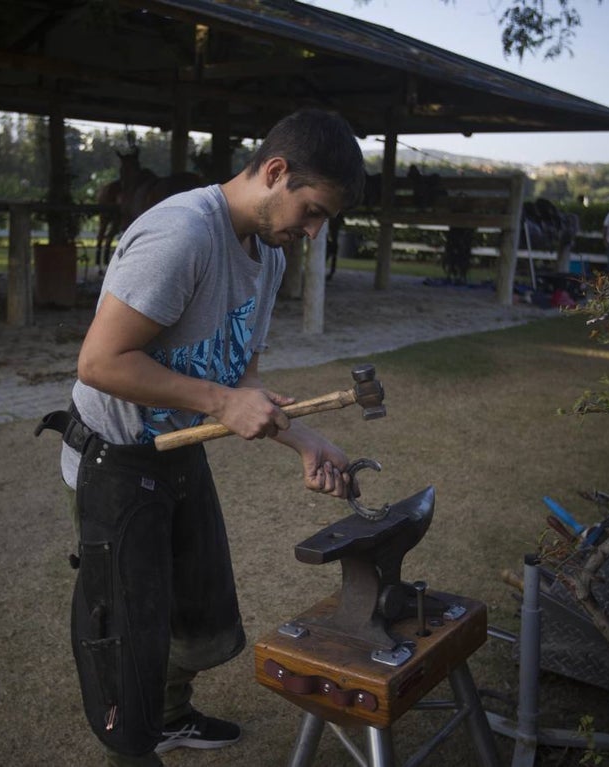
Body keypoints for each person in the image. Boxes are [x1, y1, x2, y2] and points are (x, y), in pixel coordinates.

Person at [38, 109, 366, 766]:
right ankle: (134, 747)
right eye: (312, 210)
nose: (313, 231)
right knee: (130, 633)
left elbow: (236, 369)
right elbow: (100, 362)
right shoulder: (182, 235)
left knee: (202, 614)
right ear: (275, 173)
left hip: (178, 448)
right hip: (116, 454)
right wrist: (220, 401)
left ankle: (169, 716)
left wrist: (304, 439)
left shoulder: (265, 252)